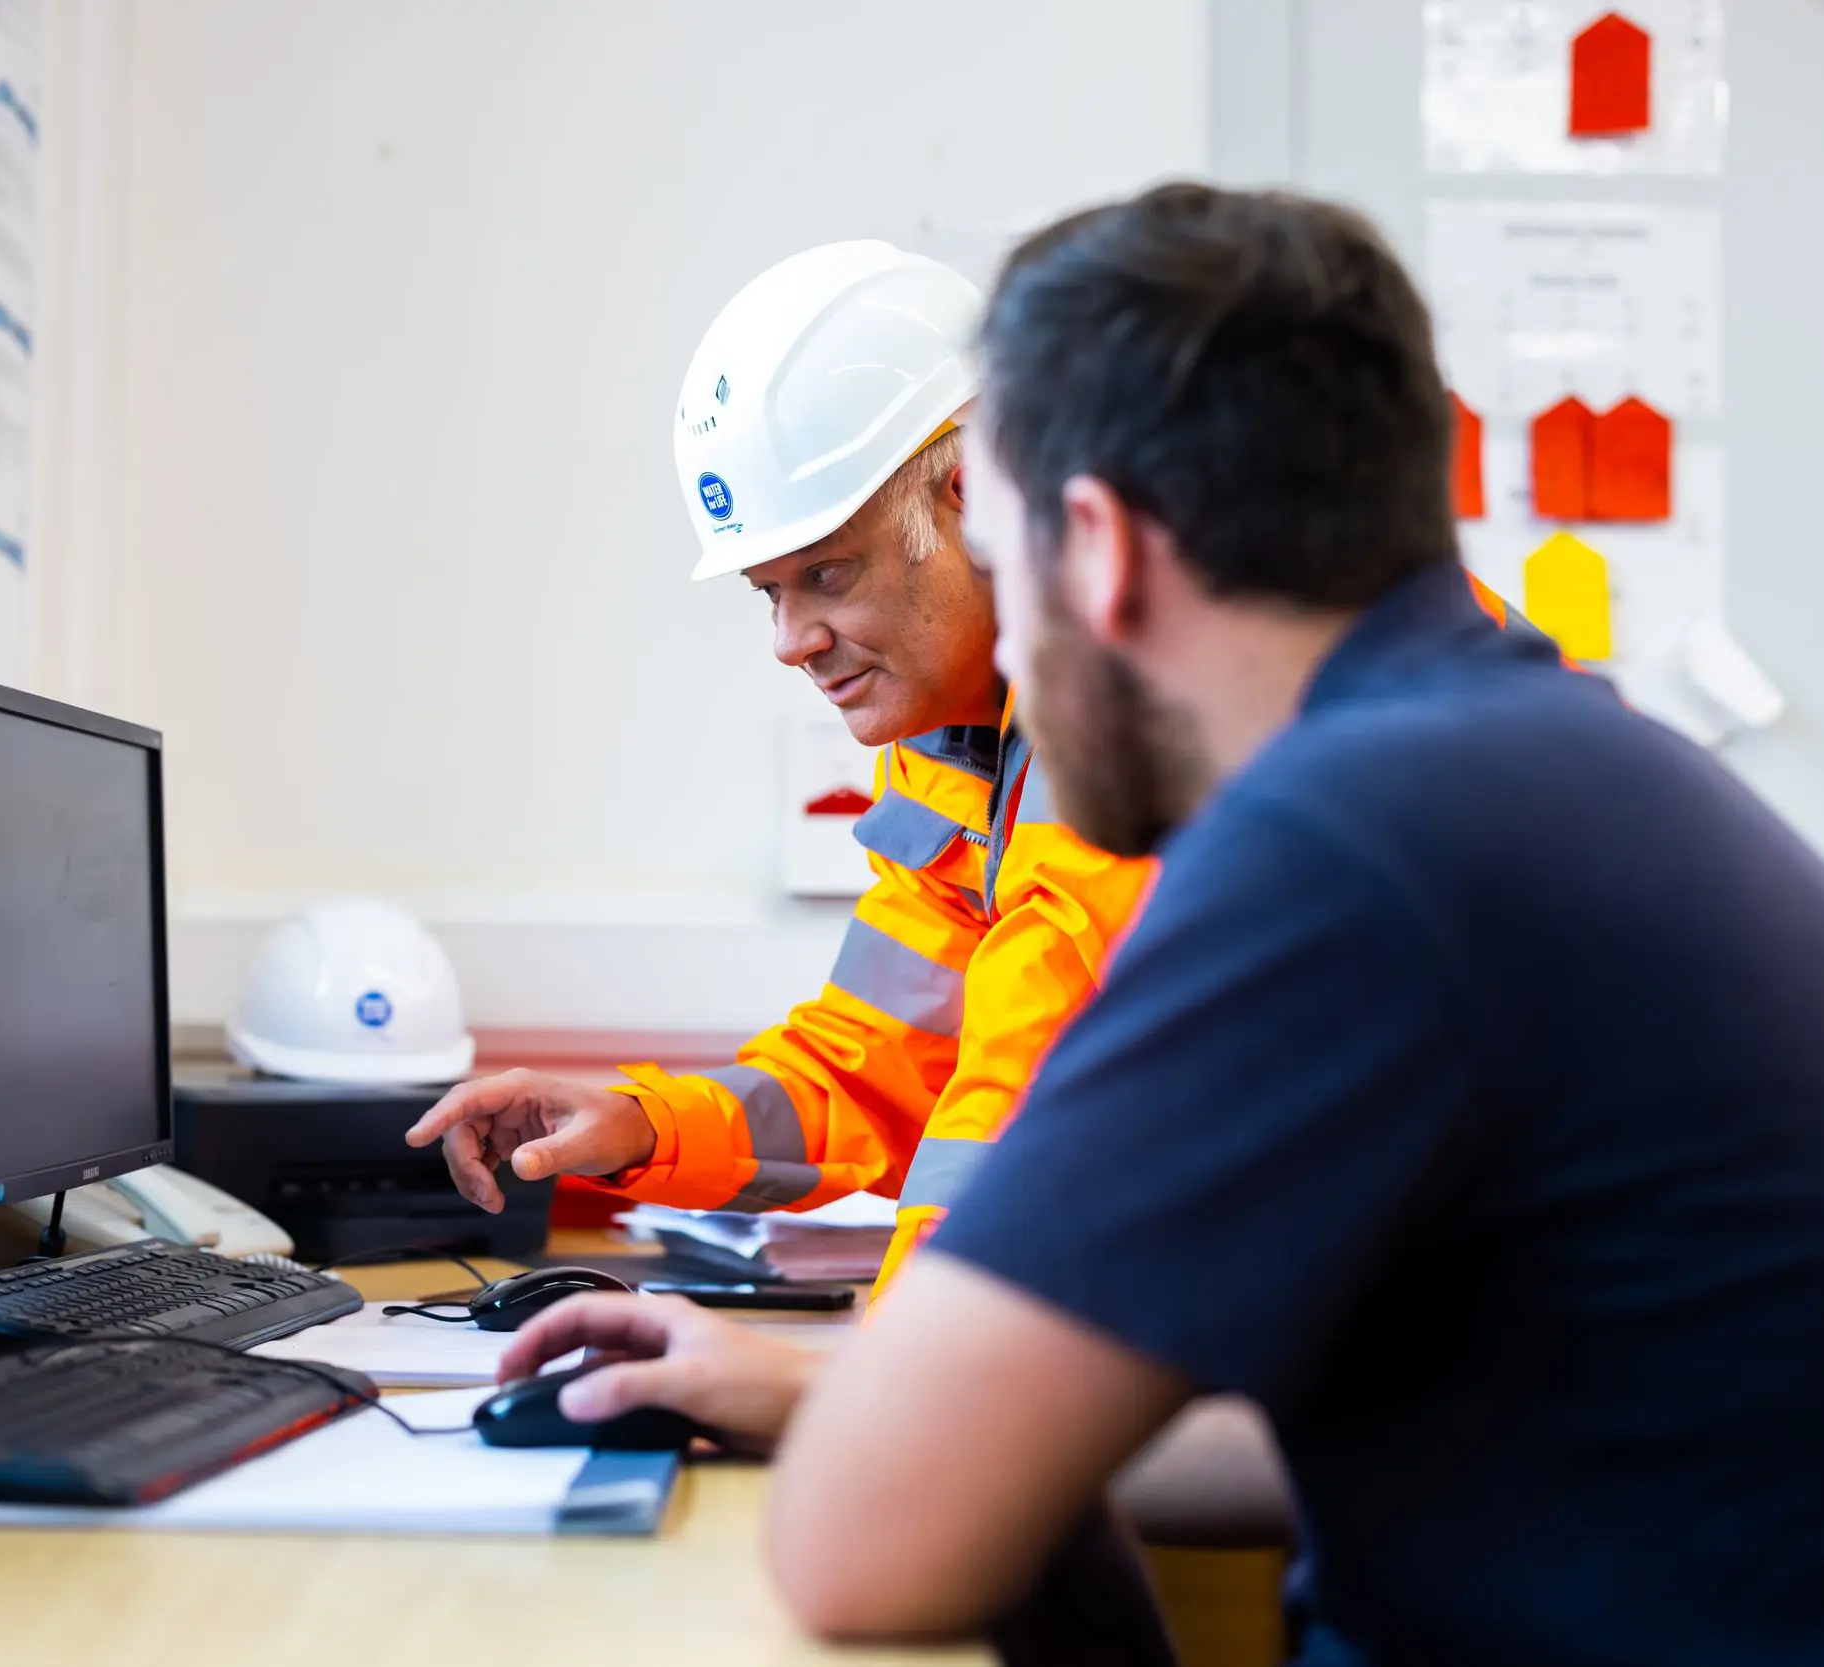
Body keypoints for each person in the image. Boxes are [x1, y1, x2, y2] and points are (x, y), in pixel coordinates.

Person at [500, 184, 1824, 1663]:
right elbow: (1408, 1429)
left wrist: (887, 1414)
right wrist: (835, 1391)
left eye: (1005, 552)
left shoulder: (1352, 844)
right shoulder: (1512, 757)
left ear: (1090, 545)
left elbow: (865, 1545)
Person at [409, 240, 1542, 1295]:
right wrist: (644, 1124)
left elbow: (1029, 1097)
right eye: (768, 592)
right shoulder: (960, 732)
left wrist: (886, 1382)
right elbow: (880, 1069)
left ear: (967, 499)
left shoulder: (1160, 666)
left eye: (828, 575)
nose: (790, 640)